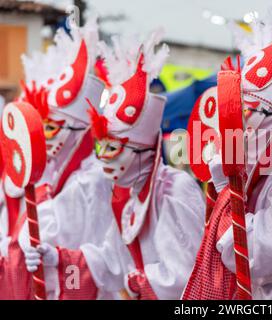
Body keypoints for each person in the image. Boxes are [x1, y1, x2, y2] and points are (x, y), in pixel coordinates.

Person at [25, 31, 206, 300]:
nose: (105, 158)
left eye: (113, 148)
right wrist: (60, 259)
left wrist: (134, 280)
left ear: (143, 151)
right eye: (102, 146)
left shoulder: (172, 190)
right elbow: (111, 260)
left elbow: (187, 275)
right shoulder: (129, 196)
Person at [183, 4, 272, 300]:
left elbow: (251, 256)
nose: (233, 124)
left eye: (245, 112)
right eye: (232, 110)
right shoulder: (252, 177)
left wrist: (224, 190)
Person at [0, 16, 113, 300]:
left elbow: (107, 259)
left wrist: (63, 262)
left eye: (49, 128)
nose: (44, 137)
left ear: (78, 132)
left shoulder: (93, 182)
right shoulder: (40, 176)